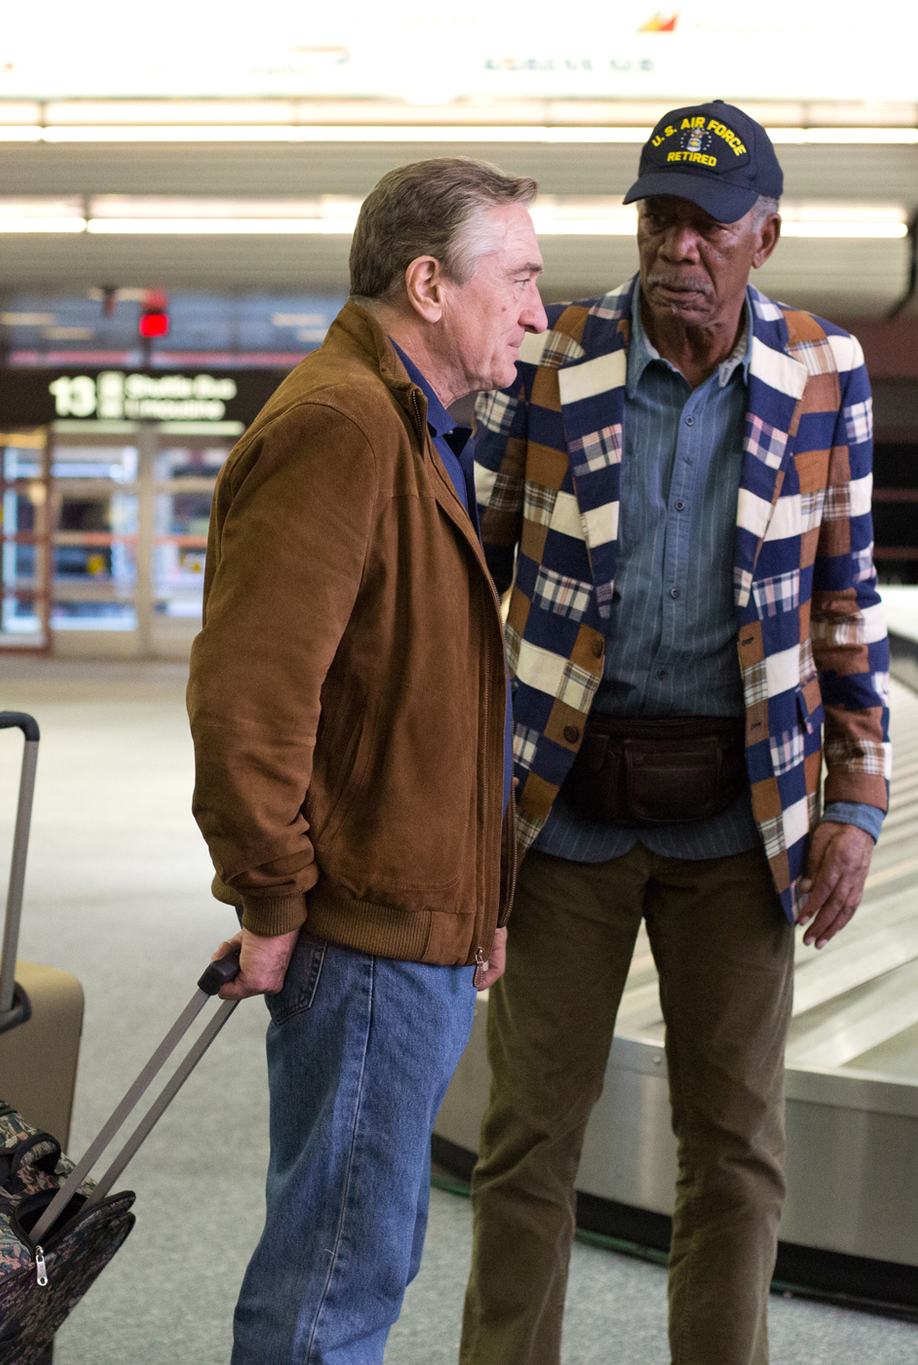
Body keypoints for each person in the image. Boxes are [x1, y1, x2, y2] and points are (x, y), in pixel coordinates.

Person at [458, 101, 891, 1365]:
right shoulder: (553, 355)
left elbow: (842, 600)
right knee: (529, 1136)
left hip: (736, 820)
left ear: (763, 235)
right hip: (564, 812)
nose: (676, 247)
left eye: (705, 224)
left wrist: (855, 804)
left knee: (734, 1148)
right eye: (657, 218)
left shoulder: (823, 370)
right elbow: (464, 573)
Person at [189, 156, 544, 1365]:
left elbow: (428, 695)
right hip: (363, 931)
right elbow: (252, 696)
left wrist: (480, 891)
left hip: (417, 917)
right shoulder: (341, 426)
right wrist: (272, 896)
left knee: (358, 1250)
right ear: (430, 284)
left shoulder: (416, 429)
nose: (538, 312)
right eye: (522, 279)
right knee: (336, 1270)